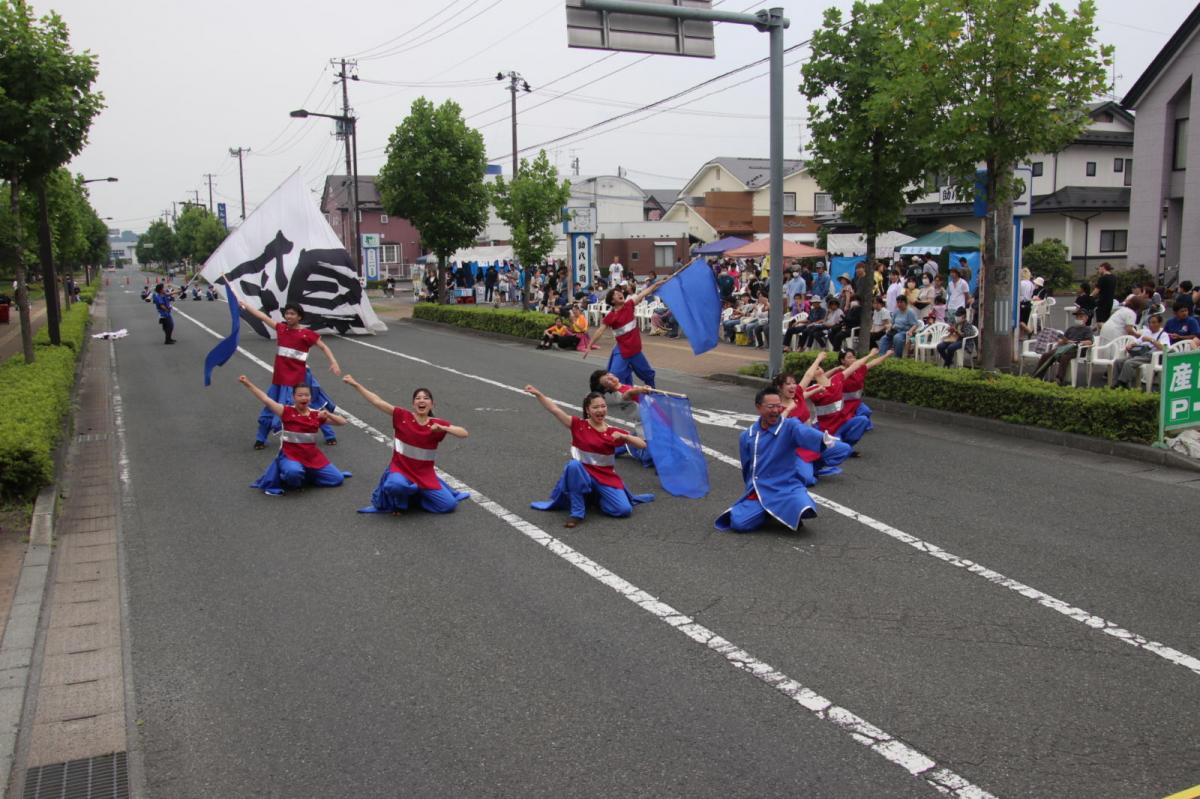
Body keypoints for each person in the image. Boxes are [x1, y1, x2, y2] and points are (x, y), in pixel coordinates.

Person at [526, 385, 653, 528]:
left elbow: (642, 444)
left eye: (603, 406)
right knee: (573, 466)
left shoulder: (613, 431)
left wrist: (625, 437)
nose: (600, 410)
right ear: (588, 410)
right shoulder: (577, 424)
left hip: (605, 477)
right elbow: (554, 410)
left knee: (624, 510)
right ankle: (577, 512)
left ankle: (596, 498)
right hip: (582, 474)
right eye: (595, 407)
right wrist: (538, 394)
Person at [341, 375, 471, 514]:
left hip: (424, 475)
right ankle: (400, 502)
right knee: (395, 485)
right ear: (413, 404)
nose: (422, 400)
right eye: (418, 398)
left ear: (432, 404)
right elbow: (377, 401)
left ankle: (414, 497)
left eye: (426, 398)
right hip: (400, 470)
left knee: (448, 505)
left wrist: (444, 428)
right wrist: (356, 384)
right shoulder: (403, 416)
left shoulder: (437, 424)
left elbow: (464, 433)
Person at [715, 387, 822, 533]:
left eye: (779, 406)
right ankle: (767, 512)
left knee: (803, 507)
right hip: (762, 488)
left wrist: (827, 441)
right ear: (758, 407)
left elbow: (806, 433)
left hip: (785, 487)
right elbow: (747, 468)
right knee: (738, 523)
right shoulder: (747, 436)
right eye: (771, 406)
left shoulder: (789, 426)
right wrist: (752, 489)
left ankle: (779, 508)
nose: (776, 410)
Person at [240, 301, 342, 449]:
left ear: (299, 316)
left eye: (292, 314)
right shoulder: (281, 328)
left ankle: (330, 434)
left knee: (311, 406)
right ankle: (260, 438)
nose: (289, 316)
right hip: (280, 379)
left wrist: (333, 362)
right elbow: (262, 316)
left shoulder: (307, 334)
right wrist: (245, 305)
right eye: (287, 313)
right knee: (270, 405)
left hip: (299, 378)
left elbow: (323, 346)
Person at [237, 376, 349, 496]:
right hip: (290, 456)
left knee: (337, 479)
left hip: (312, 457)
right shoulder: (286, 411)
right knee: (293, 472)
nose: (304, 398)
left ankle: (306, 476)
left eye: (307, 395)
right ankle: (292, 480)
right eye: (300, 395)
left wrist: (328, 414)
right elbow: (265, 399)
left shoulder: (316, 414)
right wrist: (248, 384)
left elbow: (343, 422)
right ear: (293, 397)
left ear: (310, 398)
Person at [773, 357, 852, 484]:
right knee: (808, 480)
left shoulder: (797, 395)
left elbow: (808, 375)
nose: (793, 386)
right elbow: (775, 430)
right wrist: (787, 411)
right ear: (779, 388)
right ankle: (788, 467)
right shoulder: (776, 408)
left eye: (794, 383)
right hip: (795, 449)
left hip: (812, 441)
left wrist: (819, 358)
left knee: (844, 449)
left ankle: (815, 465)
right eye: (788, 384)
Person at [585, 279, 664, 387]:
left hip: (636, 352)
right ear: (612, 301)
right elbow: (600, 330)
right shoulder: (611, 316)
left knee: (649, 375)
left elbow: (643, 293)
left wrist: (656, 284)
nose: (620, 294)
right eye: (616, 294)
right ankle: (598, 394)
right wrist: (589, 345)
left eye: (620, 292)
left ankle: (652, 394)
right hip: (622, 352)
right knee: (612, 379)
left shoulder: (629, 305)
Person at [807, 356, 873, 446]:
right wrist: (817, 359)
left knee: (863, 420)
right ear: (811, 376)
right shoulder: (812, 389)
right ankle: (836, 445)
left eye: (818, 366)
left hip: (841, 423)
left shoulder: (836, 379)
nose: (816, 368)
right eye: (813, 369)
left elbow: (855, 365)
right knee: (838, 448)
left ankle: (847, 443)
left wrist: (871, 355)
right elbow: (798, 395)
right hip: (826, 428)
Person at [1030, 308, 1094, 383]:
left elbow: (1089, 342)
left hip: (1077, 349)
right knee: (1046, 355)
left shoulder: (1087, 329)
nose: (1078, 318)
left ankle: (1059, 378)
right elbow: (1064, 339)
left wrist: (1077, 342)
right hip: (1064, 348)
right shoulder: (1071, 329)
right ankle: (1037, 376)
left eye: (1080, 317)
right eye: (1077, 317)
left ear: (1086, 318)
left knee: (1064, 357)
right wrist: (1062, 341)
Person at [1114, 315, 1170, 388]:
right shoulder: (1147, 332)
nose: (1151, 325)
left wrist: (1151, 340)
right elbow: (1138, 341)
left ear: (1159, 323)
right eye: (1149, 323)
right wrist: (1131, 345)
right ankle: (1114, 384)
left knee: (1129, 363)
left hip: (1150, 356)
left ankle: (1122, 383)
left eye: (1154, 322)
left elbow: (1164, 348)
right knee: (1118, 361)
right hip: (1139, 353)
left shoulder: (1163, 335)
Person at [838, 348, 890, 424]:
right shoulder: (841, 374)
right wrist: (870, 355)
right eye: (849, 357)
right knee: (844, 421)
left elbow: (873, 363)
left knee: (866, 411)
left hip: (856, 403)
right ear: (842, 361)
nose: (853, 359)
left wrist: (887, 355)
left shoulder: (858, 370)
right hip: (843, 405)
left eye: (854, 357)